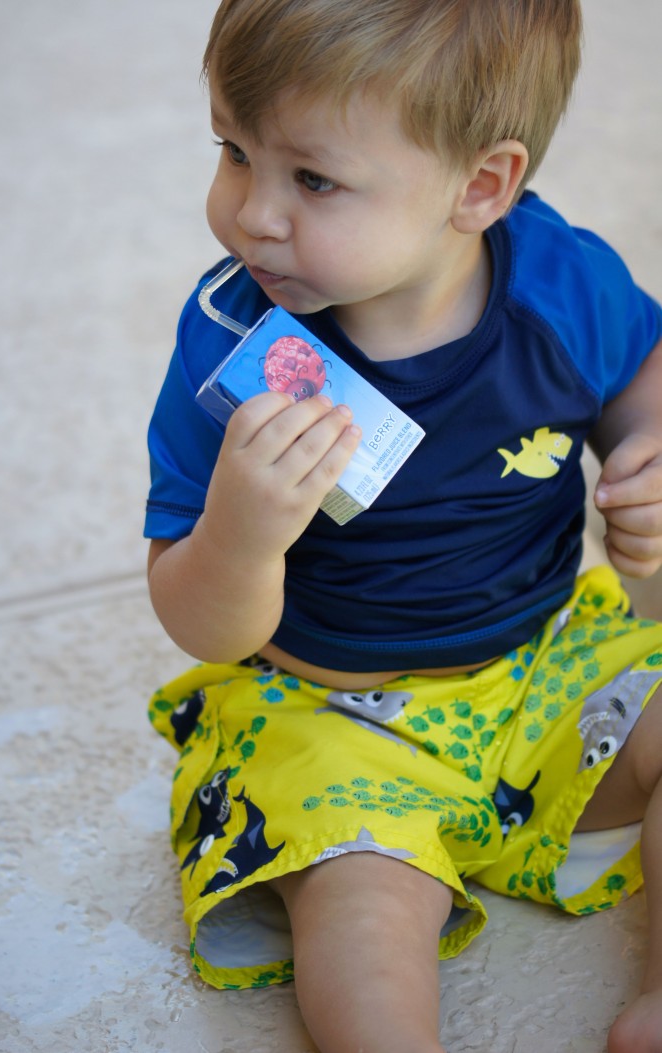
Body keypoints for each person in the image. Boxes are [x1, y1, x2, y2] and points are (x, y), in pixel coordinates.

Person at [144, 2, 662, 1050]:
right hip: (329, 716)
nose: (252, 215)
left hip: (550, 665)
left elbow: (642, 369)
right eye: (234, 153)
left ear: (480, 187)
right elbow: (198, 622)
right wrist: (242, 536)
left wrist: (648, 450)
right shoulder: (231, 351)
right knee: (359, 907)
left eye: (312, 179)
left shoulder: (559, 284)